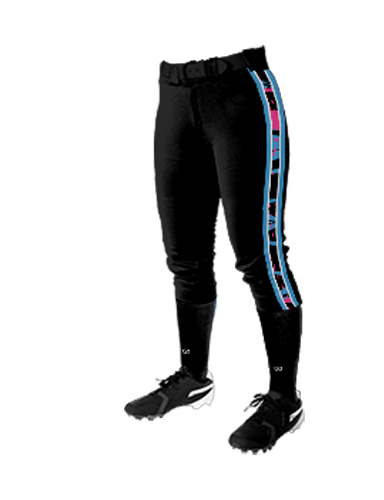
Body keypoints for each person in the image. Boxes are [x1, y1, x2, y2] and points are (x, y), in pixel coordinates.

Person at [125, 46, 304, 453]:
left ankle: (283, 396)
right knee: (184, 256)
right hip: (173, 91)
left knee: (260, 258)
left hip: (241, 91)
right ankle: (193, 374)